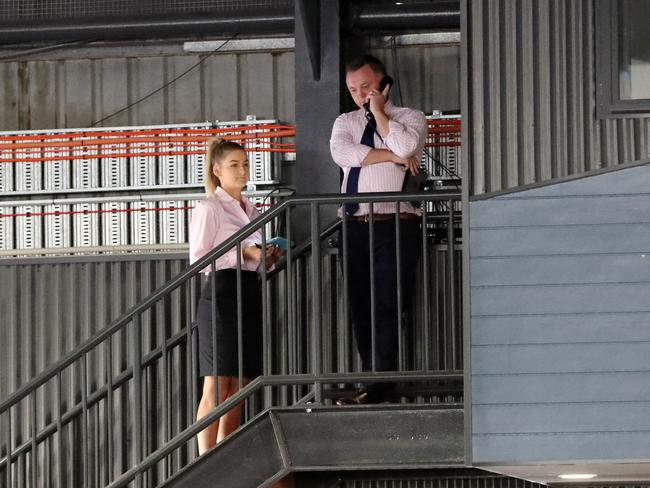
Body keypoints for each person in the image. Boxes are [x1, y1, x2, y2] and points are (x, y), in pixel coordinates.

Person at [330, 55, 428, 405]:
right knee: (360, 305)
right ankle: (373, 380)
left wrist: (381, 115)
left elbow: (406, 146)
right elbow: (342, 153)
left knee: (388, 303)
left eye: (367, 87)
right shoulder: (346, 121)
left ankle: (380, 384)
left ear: (383, 84)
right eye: (353, 90)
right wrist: (388, 157)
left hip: (395, 224)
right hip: (355, 223)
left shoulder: (410, 118)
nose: (360, 95)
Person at [190, 137, 281, 454]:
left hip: (247, 293)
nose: (242, 171)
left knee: (240, 382)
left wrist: (266, 257)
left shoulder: (252, 209)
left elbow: (254, 260)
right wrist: (244, 251)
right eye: (234, 165)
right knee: (217, 381)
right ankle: (206, 456)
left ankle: (225, 451)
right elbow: (200, 259)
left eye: (245, 164)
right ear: (216, 170)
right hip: (221, 293)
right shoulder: (210, 207)